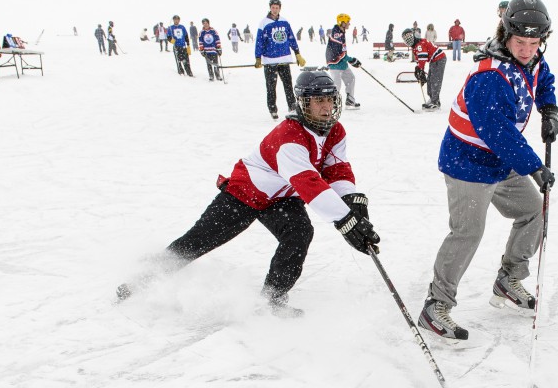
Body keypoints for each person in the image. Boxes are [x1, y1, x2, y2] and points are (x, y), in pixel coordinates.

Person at [115, 71, 381, 317]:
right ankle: (141, 278)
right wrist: (345, 220)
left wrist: (351, 200)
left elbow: (337, 168)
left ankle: (271, 300)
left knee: (299, 233)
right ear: (302, 103)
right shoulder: (289, 136)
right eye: (317, 100)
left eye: (329, 99)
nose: (326, 107)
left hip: (281, 198)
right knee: (198, 241)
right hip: (244, 194)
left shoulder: (335, 130)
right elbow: (309, 183)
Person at [417, 0, 558, 341]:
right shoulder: (489, 76)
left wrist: (549, 109)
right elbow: (498, 132)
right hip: (468, 162)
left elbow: (542, 78)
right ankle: (436, 304)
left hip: (499, 159)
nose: (527, 50)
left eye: (533, 42)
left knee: (533, 211)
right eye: (520, 42)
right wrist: (535, 167)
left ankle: (508, 279)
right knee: (468, 232)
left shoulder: (532, 58)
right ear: (506, 34)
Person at [254, 0, 305, 119]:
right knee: (271, 87)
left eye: (277, 8)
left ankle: (292, 107)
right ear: (270, 8)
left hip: (284, 60)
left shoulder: (284, 21)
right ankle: (273, 109)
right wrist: (258, 57)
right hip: (270, 61)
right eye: (273, 7)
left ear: (280, 8)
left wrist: (297, 53)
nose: (275, 10)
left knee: (288, 84)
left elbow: (291, 37)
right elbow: (259, 41)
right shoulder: (264, 22)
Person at [402, 27, 446, 111]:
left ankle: (435, 102)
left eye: (409, 35)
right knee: (430, 79)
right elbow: (420, 58)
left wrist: (420, 69)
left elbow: (423, 57)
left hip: (439, 58)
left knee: (435, 80)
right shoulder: (416, 45)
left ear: (413, 35)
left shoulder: (419, 44)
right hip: (434, 60)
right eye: (405, 37)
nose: (408, 39)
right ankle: (432, 98)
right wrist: (419, 68)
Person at [326, 13, 361, 109]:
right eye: (348, 22)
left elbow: (343, 51)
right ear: (342, 23)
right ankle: (332, 103)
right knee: (336, 84)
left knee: (351, 78)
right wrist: (351, 60)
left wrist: (350, 60)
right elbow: (339, 52)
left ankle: (350, 100)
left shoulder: (341, 32)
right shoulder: (336, 34)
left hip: (342, 63)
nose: (349, 24)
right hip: (334, 62)